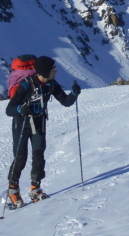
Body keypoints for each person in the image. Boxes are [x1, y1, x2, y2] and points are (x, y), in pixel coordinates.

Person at [5, 55, 81, 207]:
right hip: (22, 122)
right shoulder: (27, 84)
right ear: (45, 71)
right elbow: (9, 110)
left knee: (38, 155)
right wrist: (20, 109)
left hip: (38, 121)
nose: (56, 71)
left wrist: (74, 94)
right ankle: (13, 190)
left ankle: (35, 188)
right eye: (53, 69)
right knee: (20, 157)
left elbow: (65, 102)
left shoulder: (51, 84)